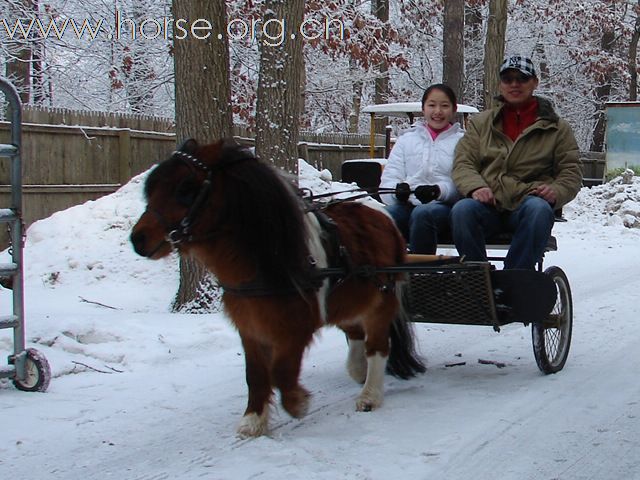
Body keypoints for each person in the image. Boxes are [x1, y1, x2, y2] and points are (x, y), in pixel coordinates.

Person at [451, 54, 583, 269]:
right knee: (462, 210)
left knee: (539, 209)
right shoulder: (480, 124)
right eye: (508, 79)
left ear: (534, 83)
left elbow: (571, 171)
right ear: (501, 84)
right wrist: (476, 187)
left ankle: (515, 280)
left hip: (527, 203)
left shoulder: (558, 128)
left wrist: (556, 191)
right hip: (488, 206)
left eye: (521, 78)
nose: (514, 84)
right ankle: (477, 280)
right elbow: (463, 162)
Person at [380, 83, 463, 254]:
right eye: (432, 105)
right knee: (384, 217)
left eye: (444, 106)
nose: (437, 111)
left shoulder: (462, 142)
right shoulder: (406, 140)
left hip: (443, 207)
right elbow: (389, 179)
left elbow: (464, 184)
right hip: (407, 205)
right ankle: (387, 271)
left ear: (454, 109)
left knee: (423, 214)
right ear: (423, 108)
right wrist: (396, 192)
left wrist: (439, 191)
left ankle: (421, 275)